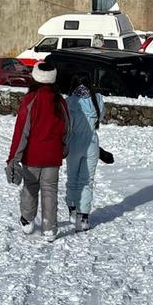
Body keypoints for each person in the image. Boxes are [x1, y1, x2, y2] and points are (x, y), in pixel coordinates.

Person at [7, 63, 68, 242]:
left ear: (35, 77)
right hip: (53, 156)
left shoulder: (30, 100)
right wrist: (64, 149)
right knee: (50, 191)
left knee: (30, 188)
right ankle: (50, 228)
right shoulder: (60, 101)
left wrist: (13, 157)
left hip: (32, 156)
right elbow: (67, 129)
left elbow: (21, 132)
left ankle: (27, 220)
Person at [65, 72, 104, 232]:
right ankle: (84, 217)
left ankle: (72, 209)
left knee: (72, 178)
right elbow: (100, 118)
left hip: (73, 143)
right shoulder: (98, 99)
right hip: (92, 143)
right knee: (87, 181)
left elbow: (66, 122)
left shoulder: (69, 101)